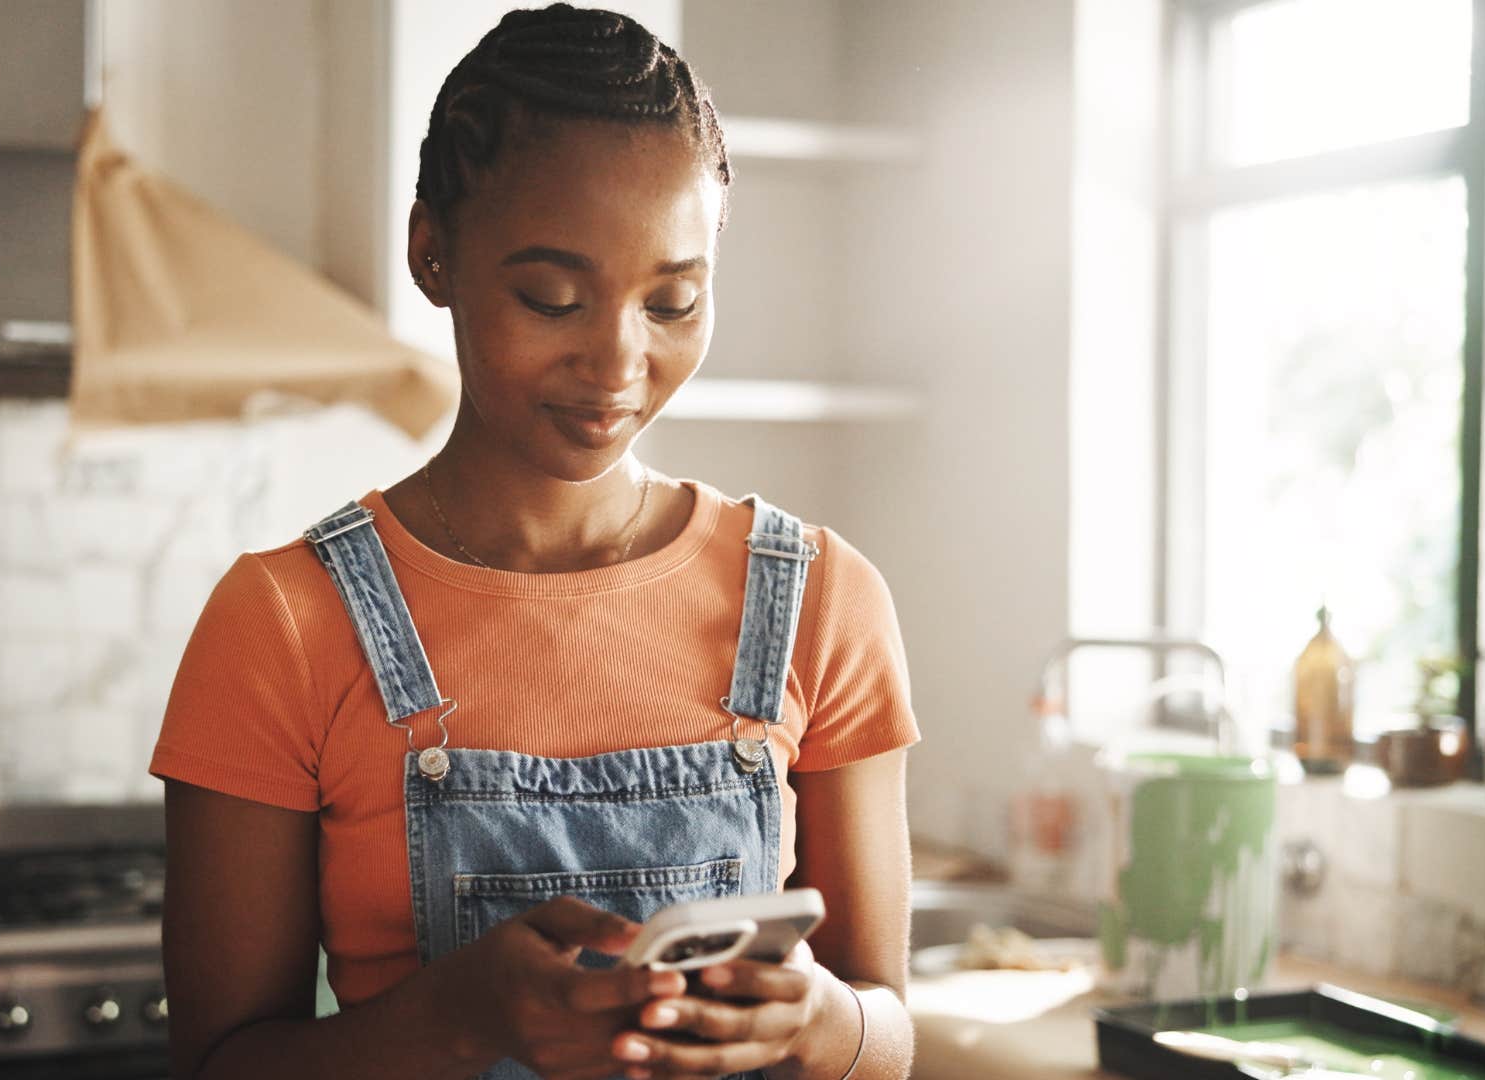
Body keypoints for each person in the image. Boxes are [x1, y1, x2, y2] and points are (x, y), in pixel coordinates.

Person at [151, 6, 919, 1078]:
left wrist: (817, 1021)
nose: (617, 363)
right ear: (433, 254)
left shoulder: (821, 600)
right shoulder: (281, 624)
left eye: (673, 301)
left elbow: (888, 1032)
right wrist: (458, 1020)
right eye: (552, 298)